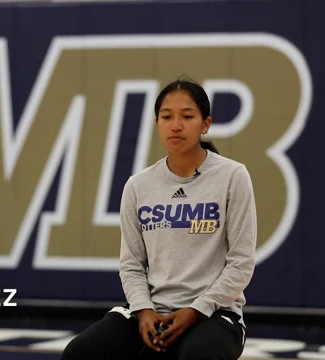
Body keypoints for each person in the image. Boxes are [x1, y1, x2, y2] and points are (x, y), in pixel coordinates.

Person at [60, 76, 257, 360]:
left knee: (197, 356)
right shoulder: (138, 185)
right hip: (152, 311)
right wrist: (144, 310)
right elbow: (131, 265)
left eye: (187, 116)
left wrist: (195, 310)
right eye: (167, 116)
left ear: (205, 124)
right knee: (80, 353)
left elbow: (241, 263)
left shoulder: (232, 176)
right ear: (157, 124)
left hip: (214, 313)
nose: (176, 125)